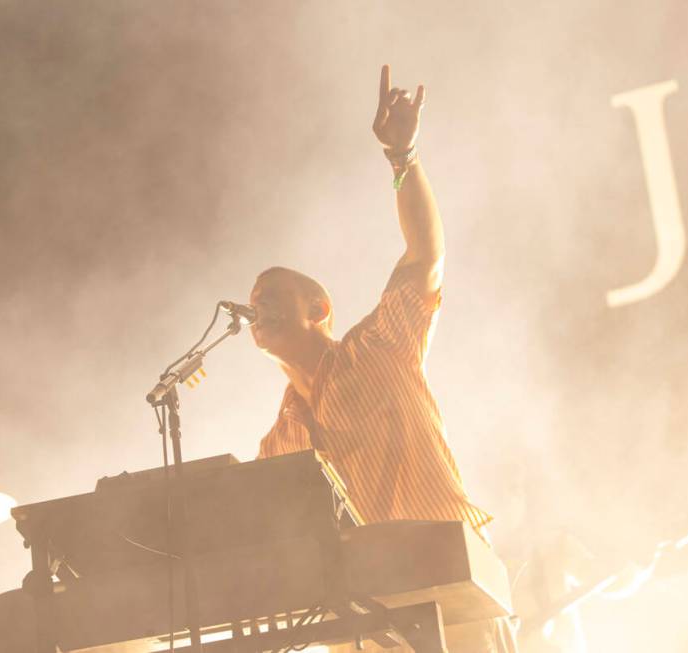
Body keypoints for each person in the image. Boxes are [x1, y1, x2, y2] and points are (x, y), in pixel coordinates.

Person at [251, 65, 517, 653]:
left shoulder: (380, 345)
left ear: (318, 306)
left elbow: (425, 253)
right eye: (252, 305)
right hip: (363, 620)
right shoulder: (279, 440)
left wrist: (404, 157)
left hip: (450, 586)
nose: (256, 309)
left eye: (271, 297)